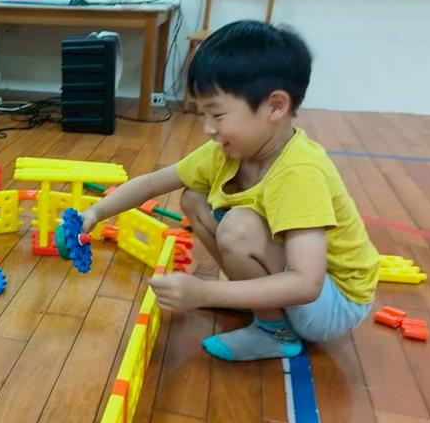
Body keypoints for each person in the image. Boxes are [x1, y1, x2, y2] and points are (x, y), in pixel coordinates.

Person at [82, 20, 380, 361]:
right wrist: (96, 212)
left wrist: (205, 291)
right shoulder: (224, 153)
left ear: (275, 106)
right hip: (303, 283)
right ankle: (255, 301)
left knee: (239, 226)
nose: (208, 129)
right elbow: (152, 183)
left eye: (218, 114)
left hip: (334, 302)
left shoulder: (299, 171)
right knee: (193, 198)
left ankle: (274, 332)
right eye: (204, 115)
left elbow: (306, 283)